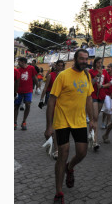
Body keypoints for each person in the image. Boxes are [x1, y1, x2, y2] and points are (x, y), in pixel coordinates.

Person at [44, 49, 96, 203]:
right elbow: (52, 100)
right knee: (63, 154)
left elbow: (88, 99)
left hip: (79, 121)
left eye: (86, 59)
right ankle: (59, 192)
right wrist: (49, 126)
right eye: (81, 58)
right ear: (75, 59)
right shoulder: (63, 76)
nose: (84, 61)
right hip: (62, 121)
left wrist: (92, 119)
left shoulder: (87, 76)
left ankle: (70, 167)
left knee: (82, 153)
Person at [88, 57, 110, 151]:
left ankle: (92, 136)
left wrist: (102, 86)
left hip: (101, 95)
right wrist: (96, 77)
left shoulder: (105, 72)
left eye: (101, 62)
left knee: (95, 118)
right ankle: (94, 140)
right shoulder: (91, 72)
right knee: (95, 117)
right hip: (93, 95)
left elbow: (109, 83)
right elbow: (89, 84)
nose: (99, 64)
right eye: (98, 62)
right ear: (95, 63)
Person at [15, 57, 38, 131]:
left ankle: (24, 121)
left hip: (28, 91)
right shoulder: (18, 70)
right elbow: (15, 81)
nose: (18, 63)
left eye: (19, 62)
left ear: (23, 62)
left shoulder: (31, 68)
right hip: (19, 91)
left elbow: (34, 77)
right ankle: (14, 122)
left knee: (28, 105)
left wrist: (38, 86)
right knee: (16, 106)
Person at [100, 62, 112, 129]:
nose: (108, 68)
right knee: (108, 108)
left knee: (109, 109)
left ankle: (107, 123)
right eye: (107, 67)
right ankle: (104, 122)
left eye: (109, 67)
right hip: (106, 93)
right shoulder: (106, 74)